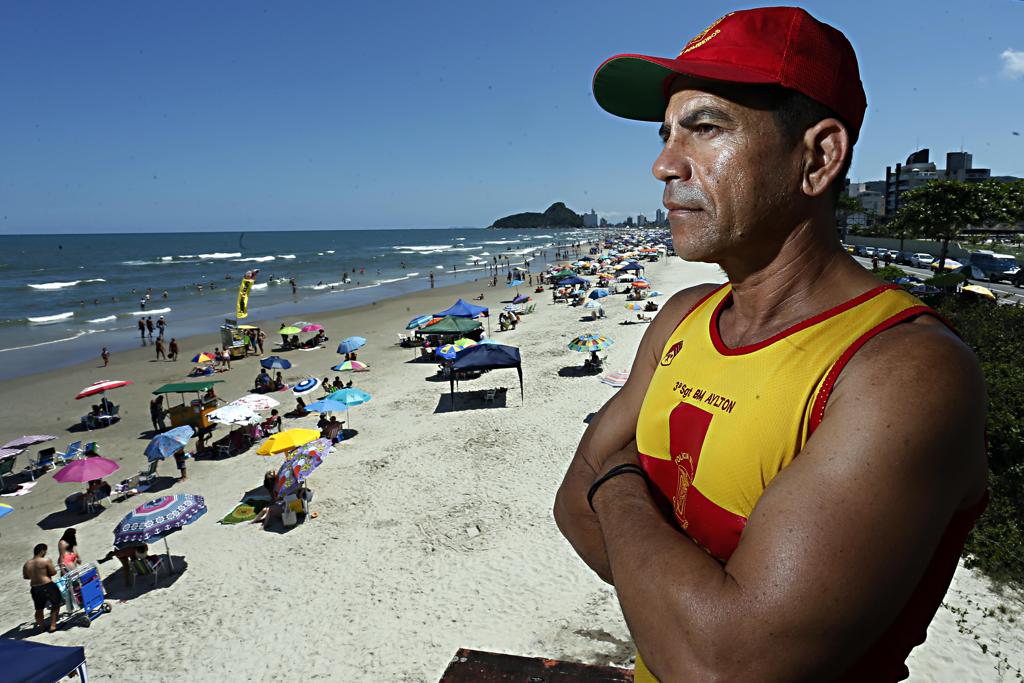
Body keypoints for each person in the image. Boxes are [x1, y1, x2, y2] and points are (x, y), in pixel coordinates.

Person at [554, 8, 987, 681]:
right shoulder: (681, 319)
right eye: (667, 133)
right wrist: (687, 609)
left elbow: (726, 666)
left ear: (817, 158)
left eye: (704, 127)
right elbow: (565, 508)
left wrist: (615, 480)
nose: (663, 163)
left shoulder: (902, 370)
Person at [23, 544, 61, 633]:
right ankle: (53, 626)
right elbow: (53, 572)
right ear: (42, 551)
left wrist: (35, 576)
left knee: (39, 609)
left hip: (35, 588)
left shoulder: (27, 564)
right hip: (47, 585)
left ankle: (42, 627)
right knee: (55, 604)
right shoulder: (46, 560)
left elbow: (26, 576)